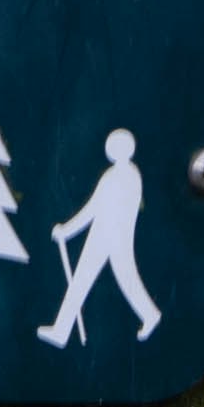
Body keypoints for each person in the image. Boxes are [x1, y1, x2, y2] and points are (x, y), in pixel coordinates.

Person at [39, 126, 163, 348]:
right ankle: (61, 330)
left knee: (124, 280)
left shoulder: (123, 176)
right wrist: (67, 230)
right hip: (105, 235)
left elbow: (93, 209)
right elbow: (95, 208)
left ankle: (150, 315)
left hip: (112, 236)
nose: (110, 149)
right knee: (83, 282)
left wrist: (66, 230)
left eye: (115, 145)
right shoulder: (120, 174)